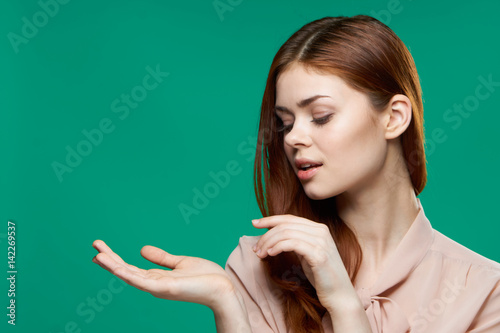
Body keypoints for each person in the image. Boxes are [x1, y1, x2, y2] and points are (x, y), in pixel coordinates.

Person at [91, 15, 500, 333]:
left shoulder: (484, 291)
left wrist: (342, 300)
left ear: (394, 118)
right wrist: (228, 305)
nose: (293, 139)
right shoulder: (259, 269)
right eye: (285, 122)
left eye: (320, 116)